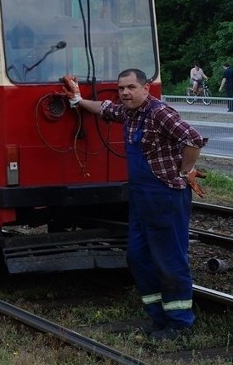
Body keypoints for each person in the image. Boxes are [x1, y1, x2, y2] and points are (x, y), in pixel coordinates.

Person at [62, 69, 206, 341]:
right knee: (138, 257)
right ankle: (158, 317)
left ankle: (180, 323)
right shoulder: (129, 112)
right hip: (141, 198)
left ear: (146, 88)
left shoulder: (160, 113)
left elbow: (194, 139)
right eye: (121, 88)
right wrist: (78, 100)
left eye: (131, 87)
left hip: (165, 196)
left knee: (170, 259)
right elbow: (104, 109)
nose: (125, 93)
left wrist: (183, 169)